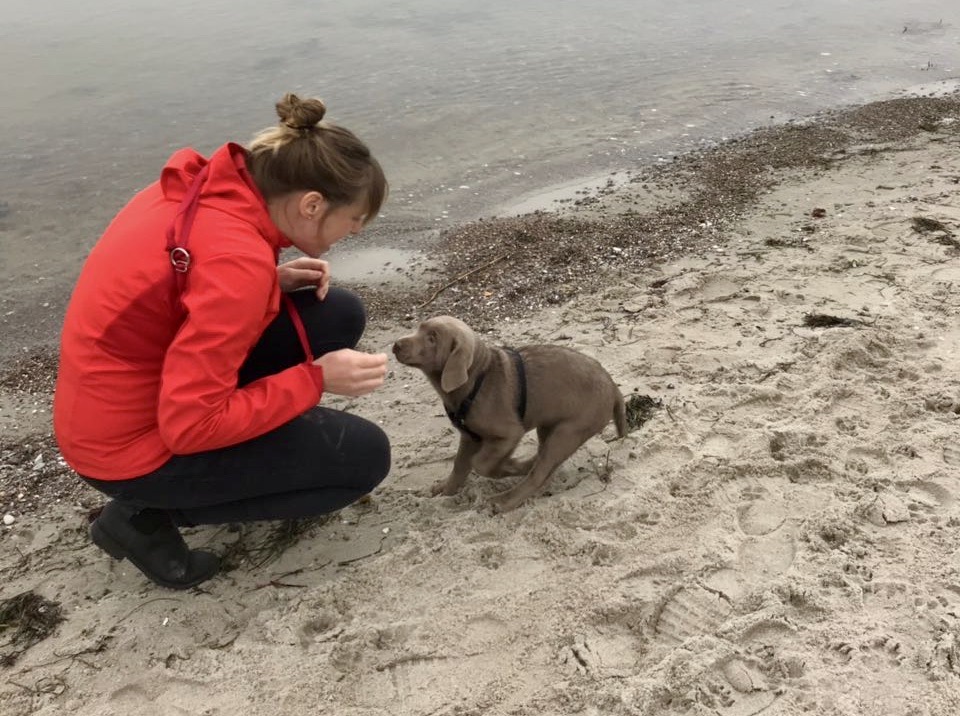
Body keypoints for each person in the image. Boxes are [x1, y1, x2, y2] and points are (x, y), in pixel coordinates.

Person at [53, 93, 391, 590]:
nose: (353, 233)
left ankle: (253, 449)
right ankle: (142, 517)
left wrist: (268, 283)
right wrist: (315, 380)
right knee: (364, 459)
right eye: (353, 222)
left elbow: (176, 293)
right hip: (128, 450)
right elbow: (190, 426)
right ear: (311, 204)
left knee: (336, 313)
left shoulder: (206, 189)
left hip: (111, 405)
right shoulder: (236, 263)